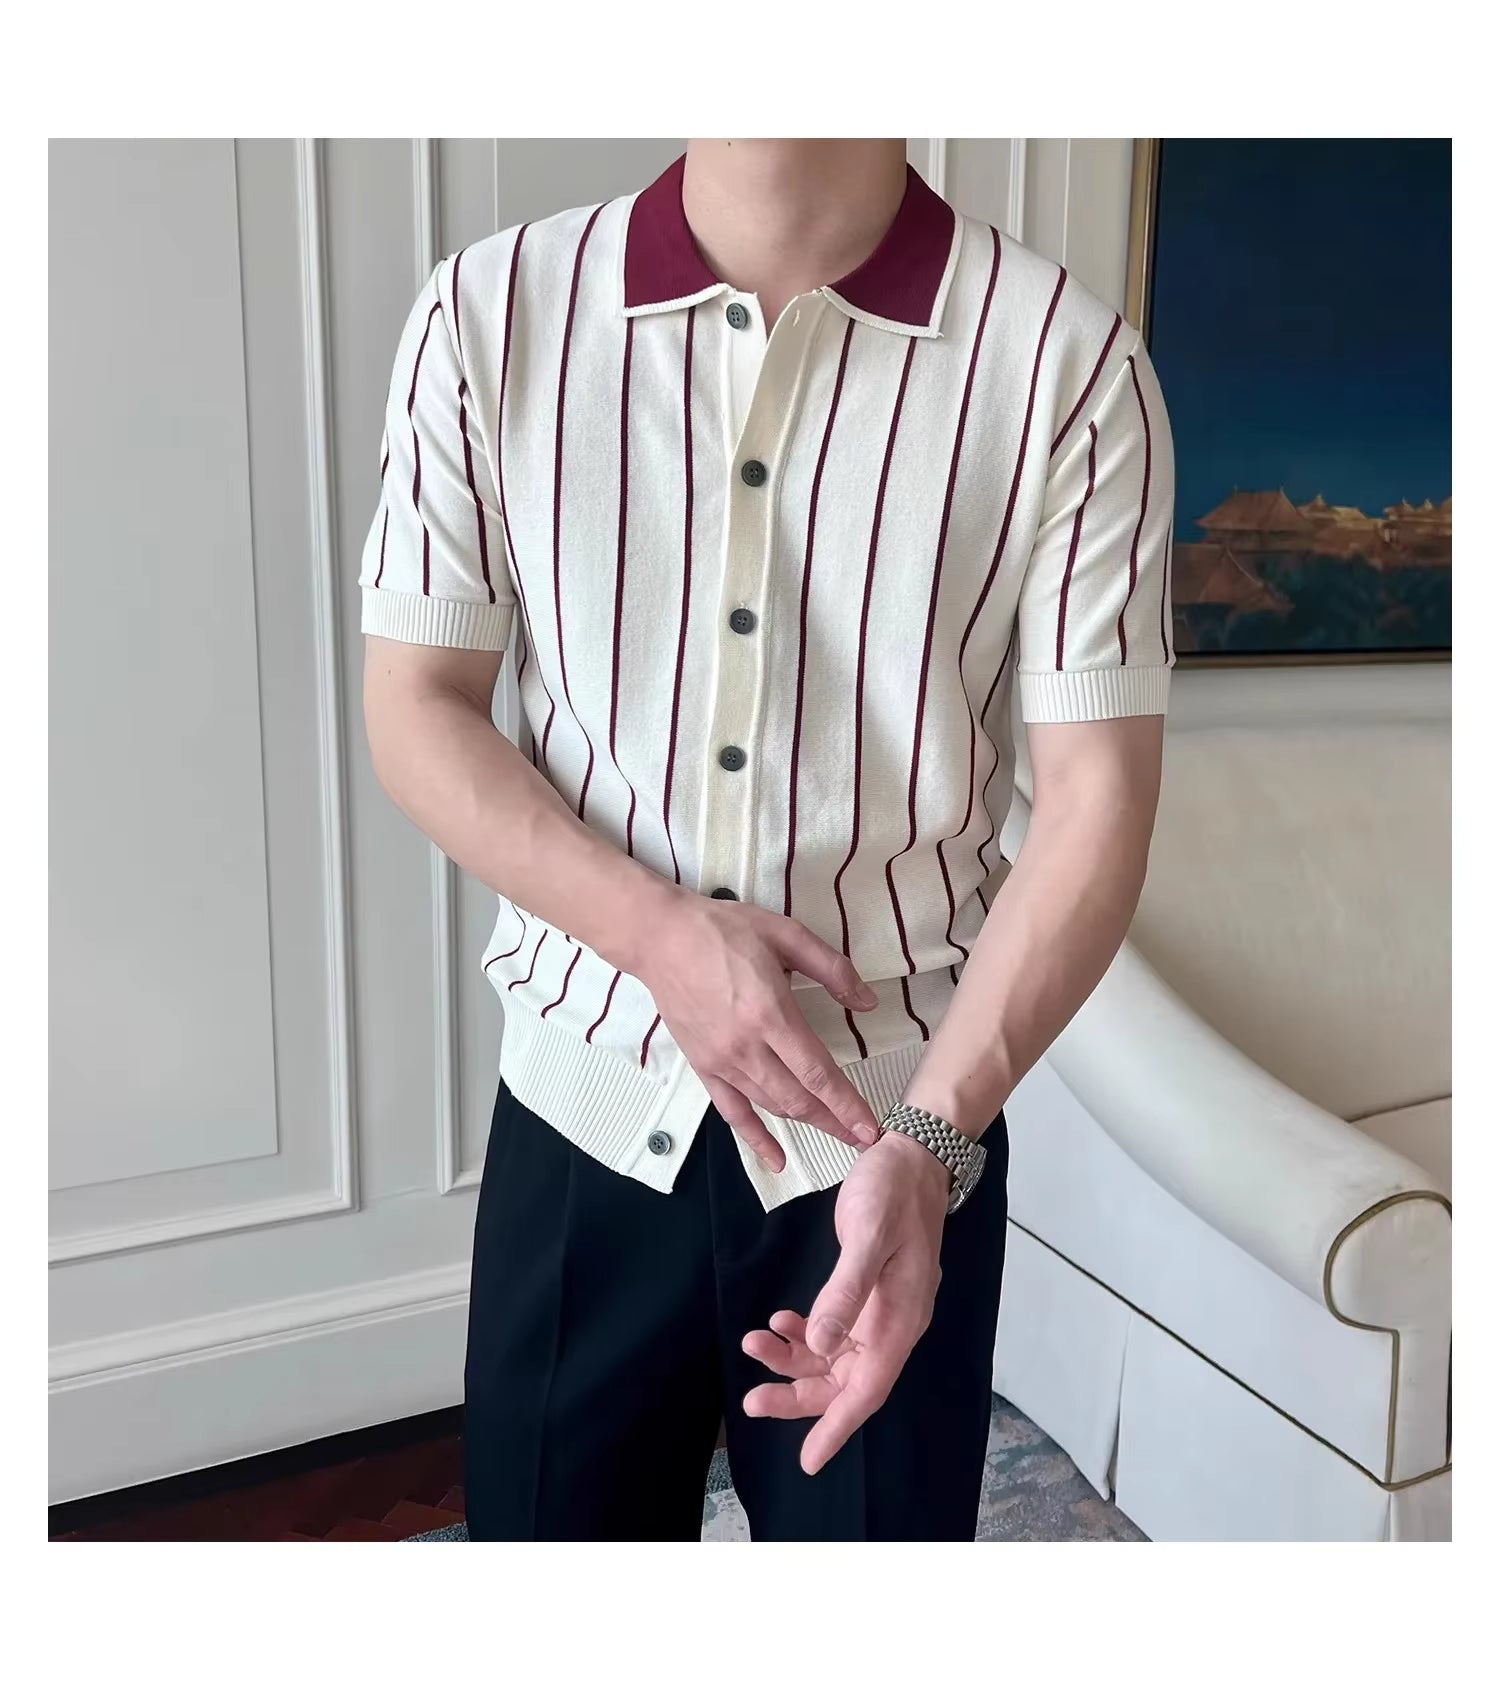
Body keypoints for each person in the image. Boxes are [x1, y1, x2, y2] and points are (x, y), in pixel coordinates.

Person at [359, 137, 1174, 1541]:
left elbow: (1097, 799)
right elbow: (416, 704)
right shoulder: (489, 313)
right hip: (583, 1112)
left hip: (897, 1147)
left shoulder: (1066, 364)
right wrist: (661, 938)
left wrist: (932, 1141)